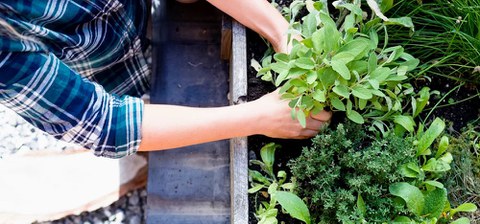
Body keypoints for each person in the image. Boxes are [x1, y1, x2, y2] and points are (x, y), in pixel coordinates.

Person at [0, 0, 332, 159]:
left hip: (141, 10)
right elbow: (106, 124)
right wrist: (260, 116)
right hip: (112, 77)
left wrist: (280, 30)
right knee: (160, 151)